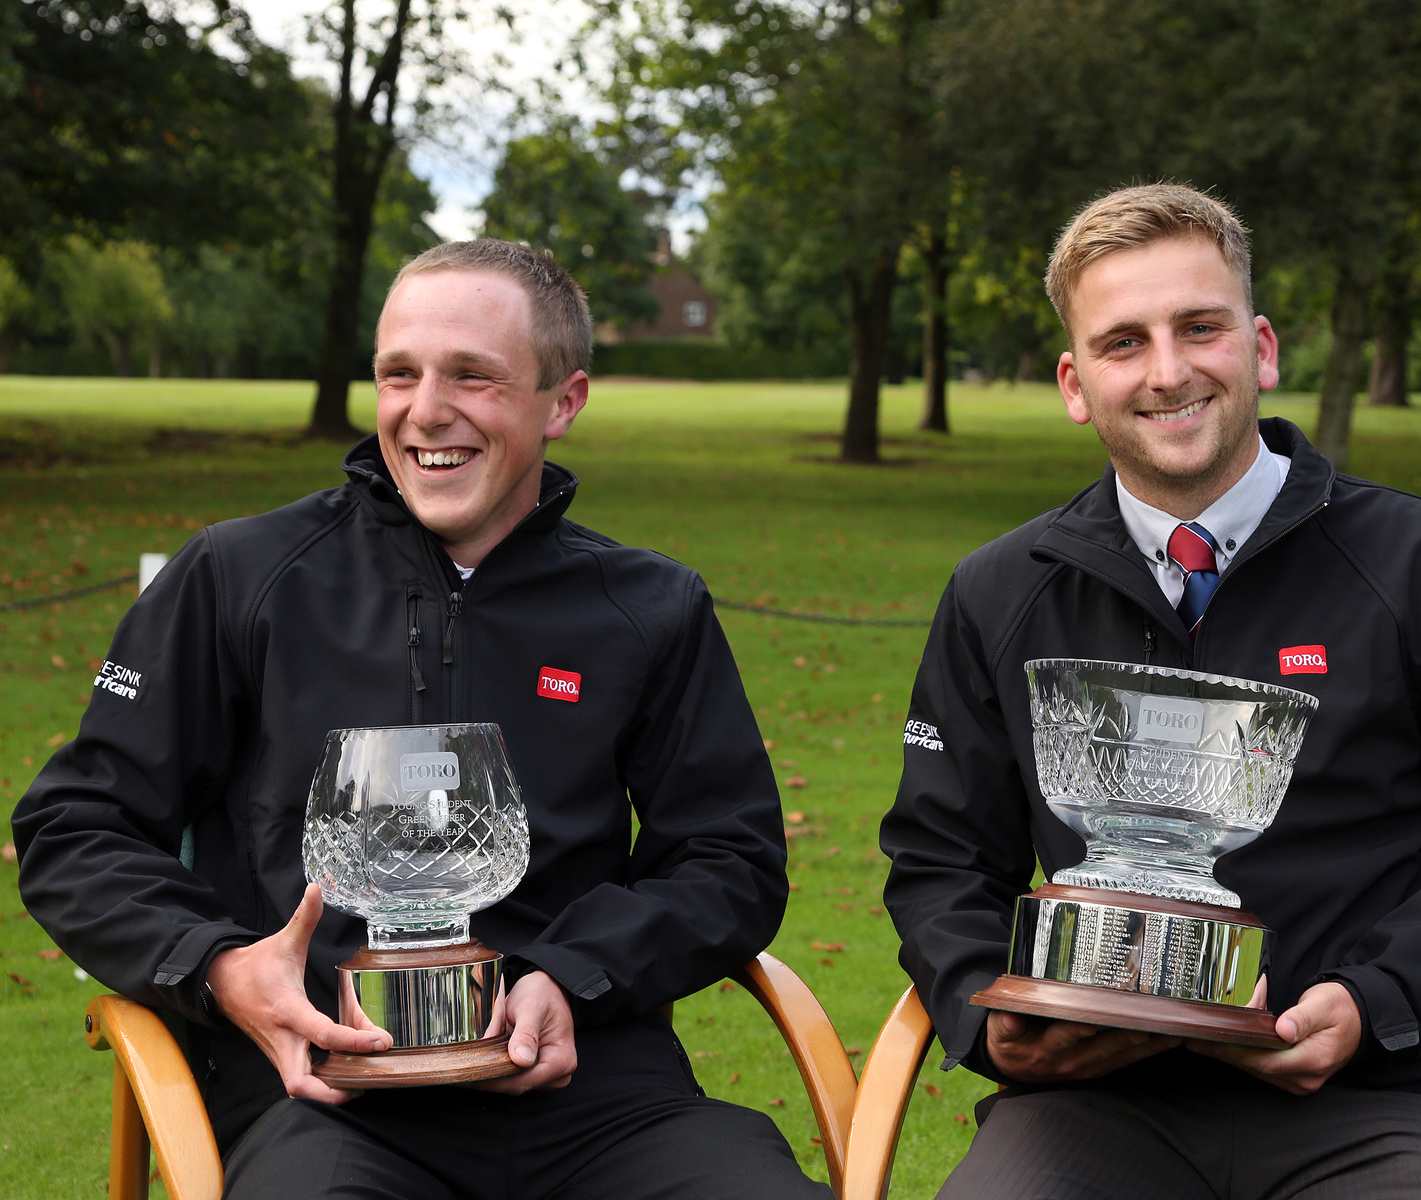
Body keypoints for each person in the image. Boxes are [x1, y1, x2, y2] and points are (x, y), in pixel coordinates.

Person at [13, 239, 829, 1200]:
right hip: (320, 1096)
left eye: (472, 377)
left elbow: (729, 857)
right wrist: (219, 966)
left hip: (596, 1091)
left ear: (561, 402)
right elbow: (77, 828)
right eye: (398, 374)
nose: (426, 411)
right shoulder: (241, 577)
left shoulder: (647, 607)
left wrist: (571, 975)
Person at [880, 184, 1421, 1199]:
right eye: (1123, 342)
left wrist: (1373, 999)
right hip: (1096, 1108)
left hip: (1387, 1099)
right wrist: (984, 1013)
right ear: (1076, 382)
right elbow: (938, 857)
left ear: (1259, 350)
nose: (1169, 371)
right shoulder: (999, 594)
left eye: (1201, 328)